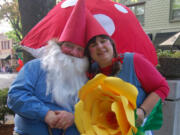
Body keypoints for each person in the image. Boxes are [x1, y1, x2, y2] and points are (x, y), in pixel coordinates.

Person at [7, 0, 88, 135]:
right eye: (69, 46)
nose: (73, 52)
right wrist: (45, 113)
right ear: (58, 46)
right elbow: (15, 96)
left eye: (79, 49)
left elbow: (93, 109)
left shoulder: (87, 77)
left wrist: (74, 117)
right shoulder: (35, 67)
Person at [84, 34, 170, 132]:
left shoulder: (133, 61)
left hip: (136, 130)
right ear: (89, 52)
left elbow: (162, 87)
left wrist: (142, 111)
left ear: (112, 44)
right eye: (93, 44)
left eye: (103, 41)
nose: (99, 46)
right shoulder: (90, 72)